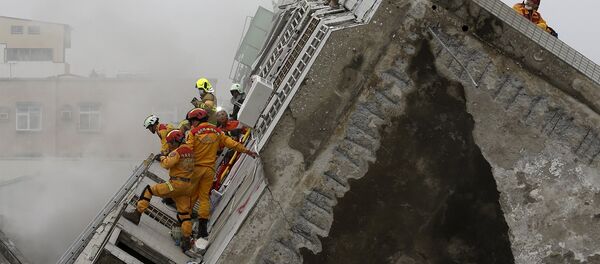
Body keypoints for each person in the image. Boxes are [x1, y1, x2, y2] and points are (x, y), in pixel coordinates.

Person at [185, 108, 257, 239]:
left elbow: (187, 152)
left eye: (192, 121)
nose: (191, 124)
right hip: (209, 171)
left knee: (190, 196)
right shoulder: (218, 131)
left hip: (196, 169)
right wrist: (247, 151)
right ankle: (202, 229)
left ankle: (185, 223)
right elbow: (232, 143)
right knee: (204, 198)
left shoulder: (193, 132)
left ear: (196, 120)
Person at [122, 130, 196, 252]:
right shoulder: (190, 152)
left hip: (175, 185)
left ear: (176, 141)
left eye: (171, 143)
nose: (170, 145)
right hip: (187, 186)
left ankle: (137, 214)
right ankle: (187, 241)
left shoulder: (178, 151)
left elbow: (167, 164)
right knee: (184, 214)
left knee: (149, 190)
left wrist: (162, 157)